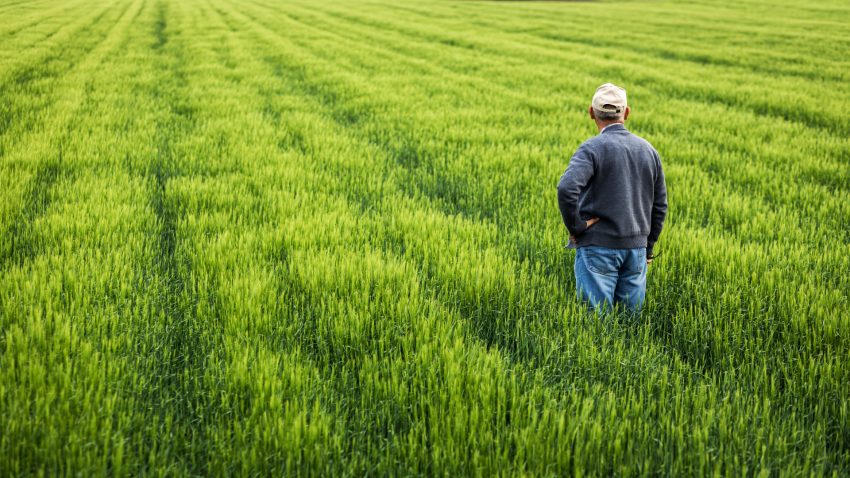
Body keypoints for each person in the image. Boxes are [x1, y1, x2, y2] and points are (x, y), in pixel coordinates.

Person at [557, 83, 667, 312]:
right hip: (636, 250)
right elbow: (659, 206)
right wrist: (647, 247)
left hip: (597, 247)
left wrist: (577, 227)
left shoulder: (591, 149)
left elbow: (567, 189)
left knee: (596, 327)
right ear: (626, 113)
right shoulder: (648, 150)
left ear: (591, 113)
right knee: (630, 327)